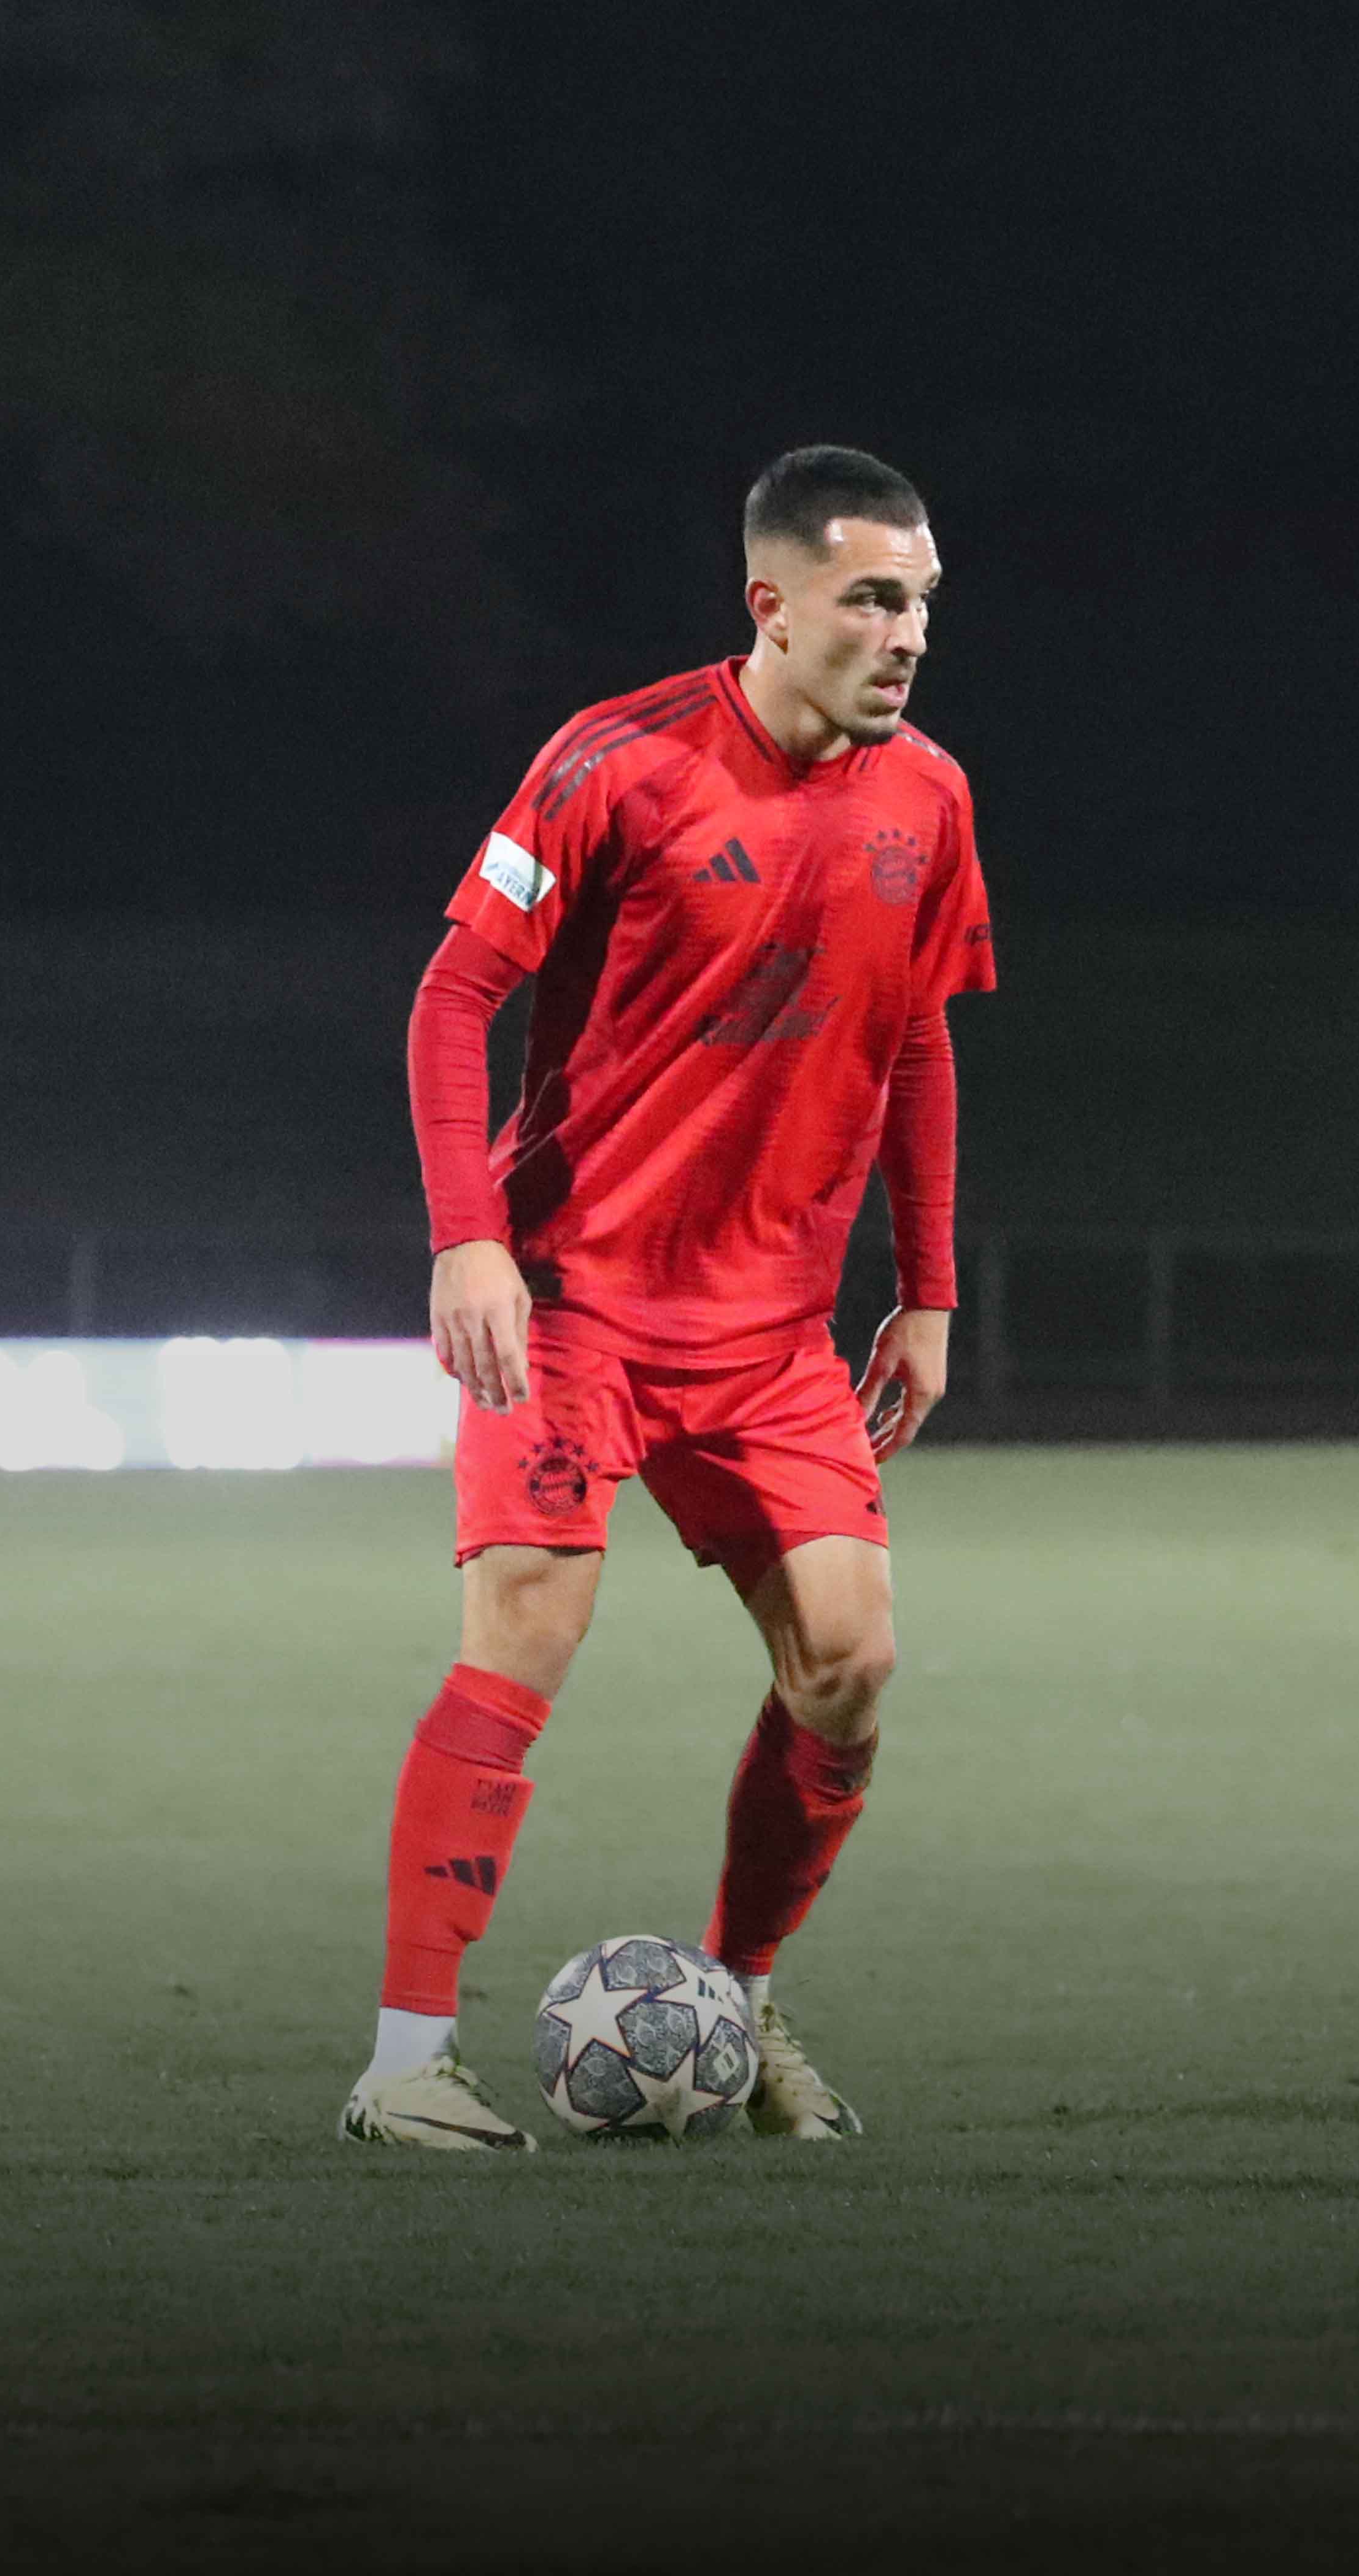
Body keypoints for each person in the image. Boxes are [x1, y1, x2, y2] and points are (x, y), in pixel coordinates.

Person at [338, 445, 995, 2151]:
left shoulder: (930, 797)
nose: (907, 630)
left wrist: (925, 1287)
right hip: (573, 1302)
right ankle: (405, 2058)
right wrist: (468, 1232)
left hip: (772, 1333)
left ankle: (743, 1999)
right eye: (872, 596)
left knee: (849, 1661)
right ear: (769, 605)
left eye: (921, 598)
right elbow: (451, 996)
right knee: (531, 1623)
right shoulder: (615, 763)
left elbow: (919, 1038)